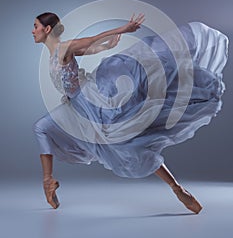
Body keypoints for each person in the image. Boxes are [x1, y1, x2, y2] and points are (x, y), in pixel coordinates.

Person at [32, 11, 228, 213]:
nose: (33, 30)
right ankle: (48, 181)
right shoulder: (56, 52)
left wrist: (123, 29)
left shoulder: (64, 47)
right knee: (41, 128)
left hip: (92, 101)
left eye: (36, 26)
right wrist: (105, 47)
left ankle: (178, 189)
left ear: (47, 29)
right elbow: (91, 48)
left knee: (128, 146)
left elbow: (90, 40)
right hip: (75, 104)